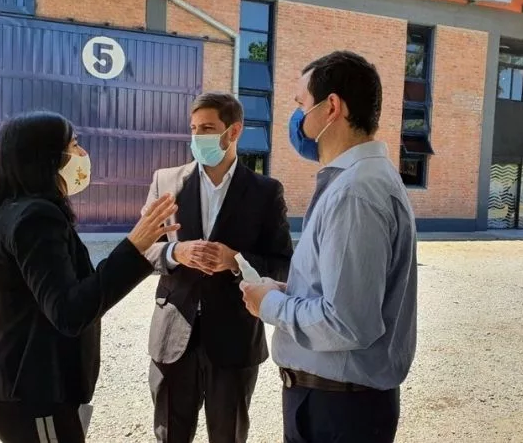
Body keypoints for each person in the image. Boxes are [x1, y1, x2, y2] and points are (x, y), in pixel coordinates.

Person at [240, 51, 418, 443]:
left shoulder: (356, 192)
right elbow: (343, 293)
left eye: (301, 104)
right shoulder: (357, 181)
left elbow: (348, 323)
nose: (296, 118)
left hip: (337, 411)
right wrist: (288, 291)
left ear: (331, 107)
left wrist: (269, 305)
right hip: (336, 403)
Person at [0, 111, 179, 443]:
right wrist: (133, 249)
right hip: (35, 393)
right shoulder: (36, 218)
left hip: (31, 390)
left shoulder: (21, 210)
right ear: (46, 157)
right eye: (74, 145)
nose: (83, 154)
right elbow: (69, 312)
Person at [141, 92, 293, 443]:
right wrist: (175, 252)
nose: (197, 136)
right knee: (169, 435)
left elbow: (283, 264)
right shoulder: (166, 182)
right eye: (193, 128)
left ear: (233, 131)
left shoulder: (265, 192)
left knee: (228, 435)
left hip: (234, 338)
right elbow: (142, 247)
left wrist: (235, 260)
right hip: (173, 336)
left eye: (207, 128)